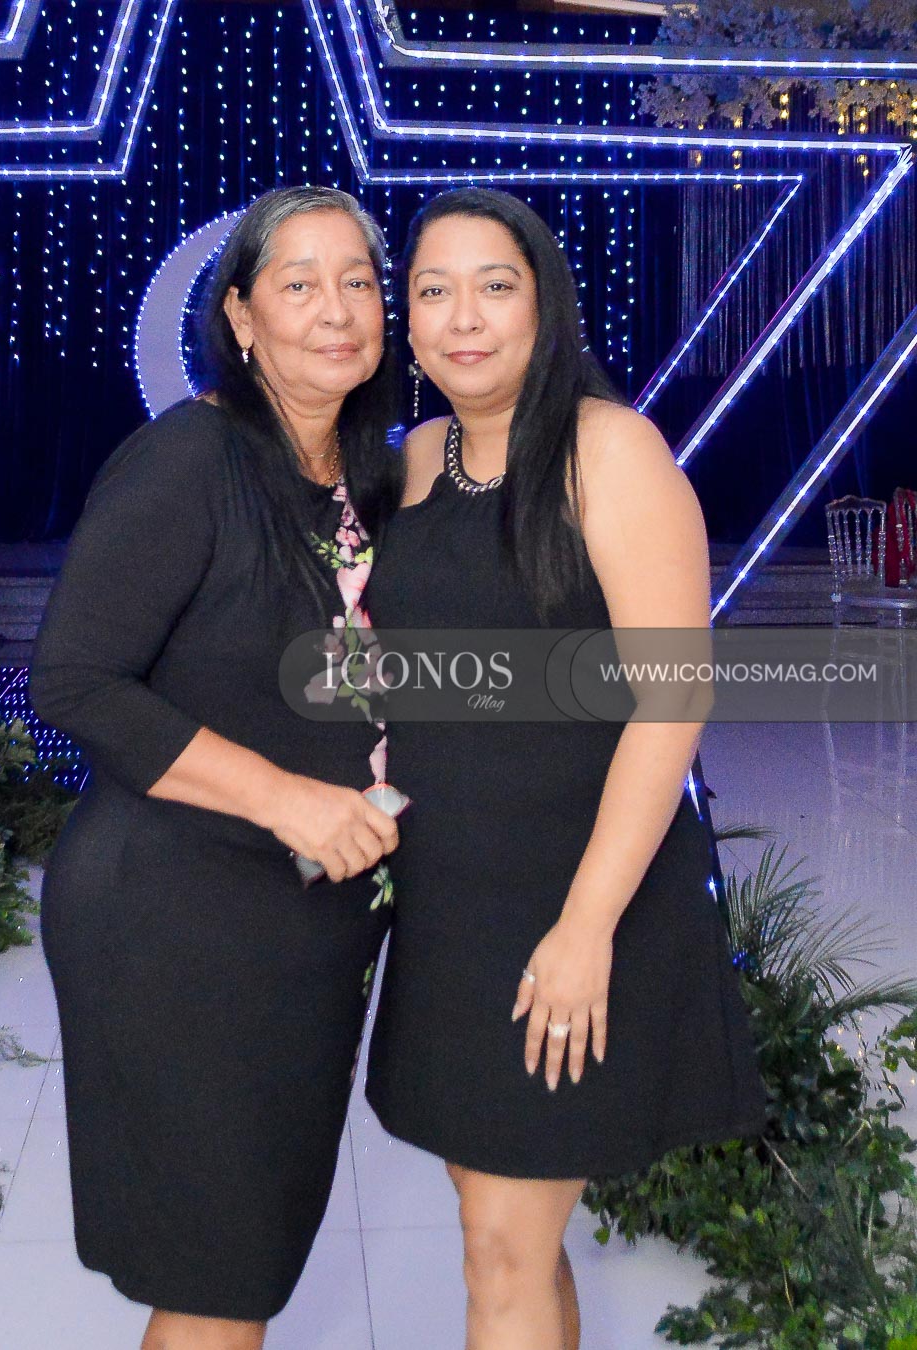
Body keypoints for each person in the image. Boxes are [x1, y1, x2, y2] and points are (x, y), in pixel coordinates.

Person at [363, 188, 767, 1350]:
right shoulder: (417, 459)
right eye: (434, 290)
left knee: (502, 1245)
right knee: (502, 1229)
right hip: (450, 904)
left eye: (495, 286)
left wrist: (587, 925)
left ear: (545, 303)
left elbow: (672, 698)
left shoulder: (610, 449)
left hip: (576, 894)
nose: (463, 317)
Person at [29, 186, 403, 1350]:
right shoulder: (189, 458)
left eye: (359, 281)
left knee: (251, 1258)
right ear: (240, 317)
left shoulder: (365, 478)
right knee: (218, 1275)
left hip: (303, 928)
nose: (336, 309)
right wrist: (288, 799)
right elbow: (75, 681)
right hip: (178, 921)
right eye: (299, 284)